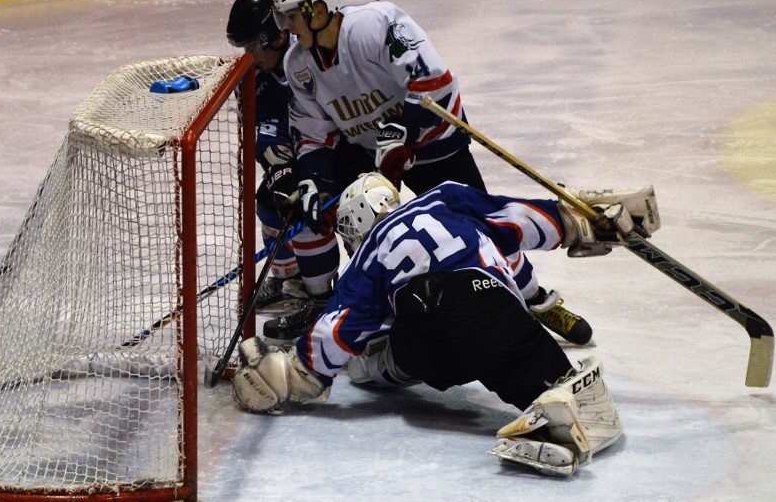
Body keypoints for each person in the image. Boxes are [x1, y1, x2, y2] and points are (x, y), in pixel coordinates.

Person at [231, 172, 662, 475]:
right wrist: (580, 222)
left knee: (368, 360)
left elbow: (333, 337)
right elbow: (518, 219)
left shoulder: (365, 258)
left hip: (424, 341)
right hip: (491, 310)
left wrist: (284, 375)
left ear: (356, 226)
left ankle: (385, 367)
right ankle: (554, 412)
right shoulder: (447, 198)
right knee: (562, 387)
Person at [270, 0, 593, 344]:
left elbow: (436, 83)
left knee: (479, 226)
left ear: (318, 11)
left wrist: (402, 134)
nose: (287, 27)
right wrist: (315, 177)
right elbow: (313, 132)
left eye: (293, 16)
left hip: (429, 140)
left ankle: (533, 299)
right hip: (366, 152)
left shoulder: (376, 25)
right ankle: (349, 310)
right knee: (350, 227)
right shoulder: (298, 64)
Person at [227, 0, 341, 339]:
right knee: (274, 202)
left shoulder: (310, 57)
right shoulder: (254, 79)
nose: (248, 55)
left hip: (337, 153)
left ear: (277, 36)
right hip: (302, 151)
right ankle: (291, 282)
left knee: (309, 211)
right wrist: (281, 171)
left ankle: (322, 298)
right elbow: (266, 131)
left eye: (253, 45)